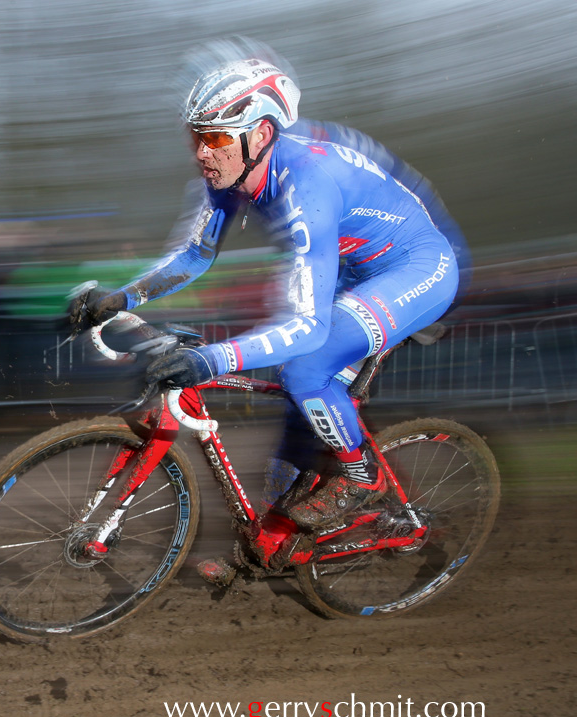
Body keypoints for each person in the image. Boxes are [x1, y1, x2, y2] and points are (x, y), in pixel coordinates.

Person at [69, 52, 464, 574]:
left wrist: (210, 361)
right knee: (301, 417)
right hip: (353, 273)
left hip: (416, 268)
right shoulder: (232, 176)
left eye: (213, 139)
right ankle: (277, 542)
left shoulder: (307, 183)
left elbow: (306, 327)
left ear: (258, 135)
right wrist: (123, 298)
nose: (201, 154)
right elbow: (195, 254)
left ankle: (361, 473)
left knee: (306, 366)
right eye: (195, 138)